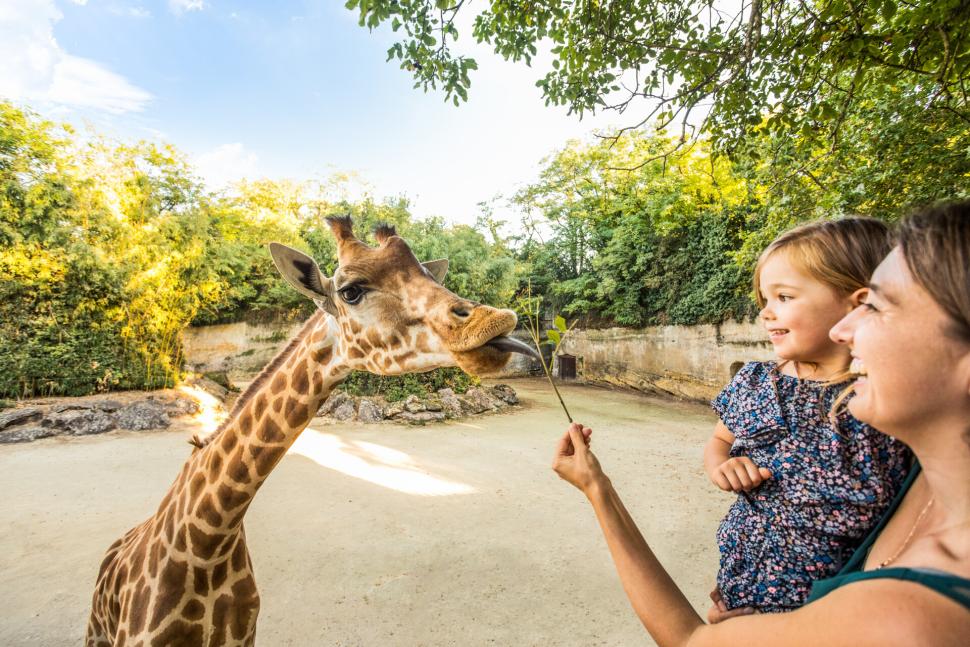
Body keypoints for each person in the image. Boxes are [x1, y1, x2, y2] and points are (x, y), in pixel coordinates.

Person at [553, 202, 970, 645]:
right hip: (749, 586)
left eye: (875, 307)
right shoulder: (931, 478)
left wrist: (597, 489)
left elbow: (689, 639)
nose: (844, 331)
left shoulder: (907, 618)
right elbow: (721, 441)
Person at [702, 218, 911, 612]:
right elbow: (719, 441)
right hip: (742, 581)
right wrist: (721, 468)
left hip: (829, 612)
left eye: (784, 297)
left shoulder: (884, 403)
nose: (766, 313)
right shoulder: (755, 381)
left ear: (857, 300)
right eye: (765, 299)